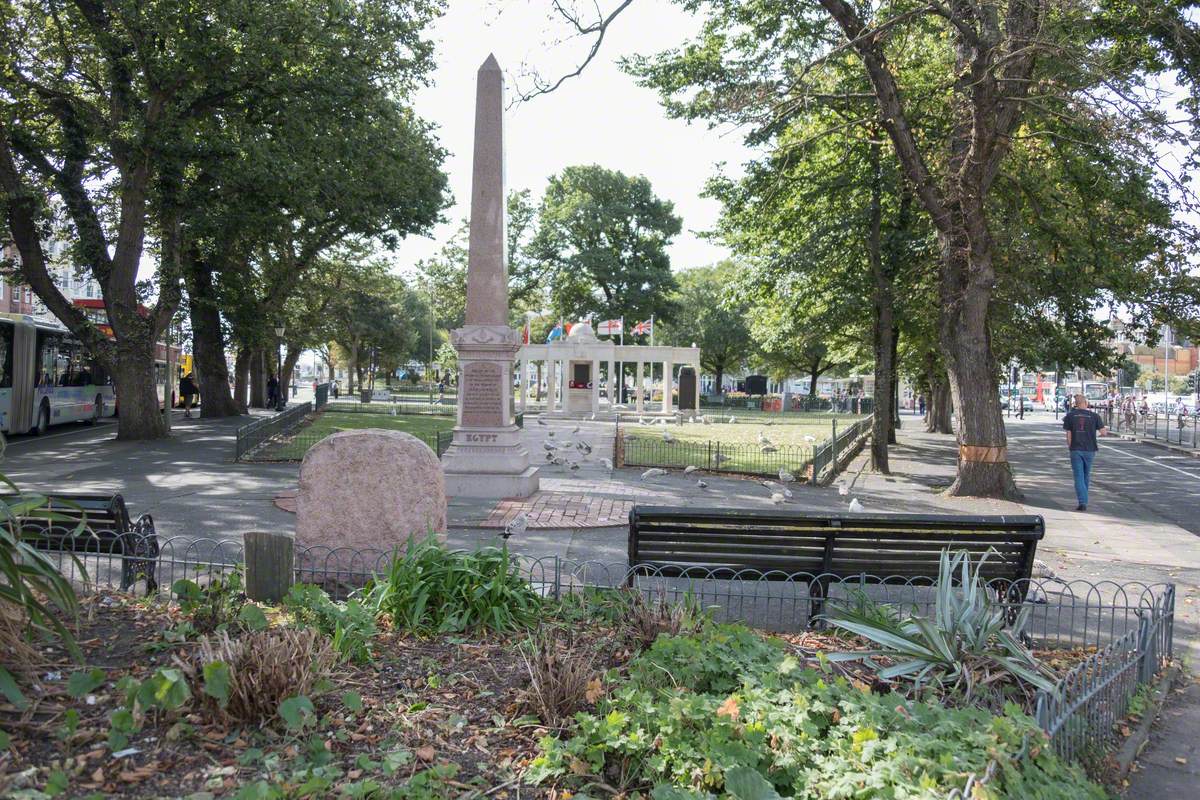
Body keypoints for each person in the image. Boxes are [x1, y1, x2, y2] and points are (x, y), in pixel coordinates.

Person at [1063, 394, 1107, 512]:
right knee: (1086, 475)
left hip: (1076, 449)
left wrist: (1070, 447)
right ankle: (1084, 499)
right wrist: (1094, 435)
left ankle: (1082, 502)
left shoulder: (1070, 416)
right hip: (1090, 449)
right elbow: (1104, 432)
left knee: (1078, 476)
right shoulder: (1094, 416)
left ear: (1075, 404)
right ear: (1086, 403)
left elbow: (1069, 434)